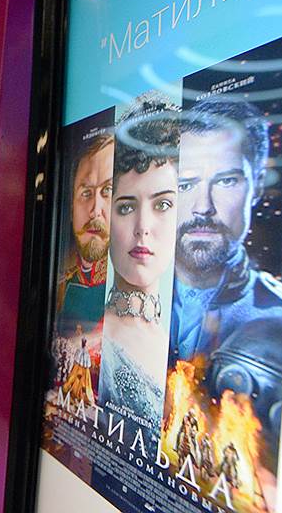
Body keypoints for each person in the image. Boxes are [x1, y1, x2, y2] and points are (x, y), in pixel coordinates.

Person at [170, 98, 282, 363]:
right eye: (185, 184)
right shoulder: (126, 300)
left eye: (226, 181)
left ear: (258, 185)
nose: (203, 207)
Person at [98, 102, 178, 440]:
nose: (143, 226)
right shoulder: (89, 340)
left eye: (162, 205)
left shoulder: (179, 344)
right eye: (126, 207)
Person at [56, 131, 114, 325]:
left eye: (108, 190)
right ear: (71, 208)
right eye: (86, 193)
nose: (95, 211)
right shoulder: (57, 285)